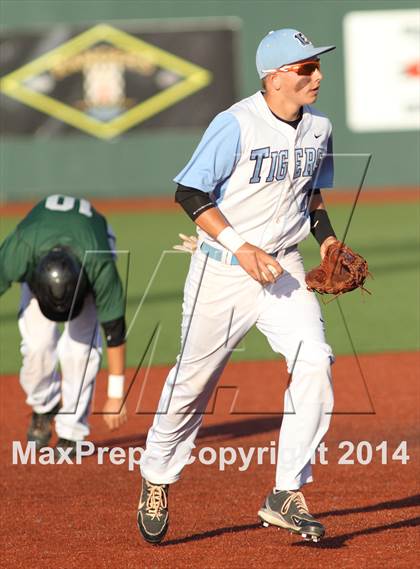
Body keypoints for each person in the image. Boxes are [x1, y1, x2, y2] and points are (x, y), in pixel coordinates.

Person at [137, 28, 340, 544]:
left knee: (315, 360)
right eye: (305, 68)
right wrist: (240, 246)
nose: (316, 75)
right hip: (223, 271)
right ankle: (157, 475)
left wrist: (330, 242)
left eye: (316, 66)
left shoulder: (320, 127)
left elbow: (311, 193)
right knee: (192, 384)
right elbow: (189, 190)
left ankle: (286, 491)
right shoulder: (236, 124)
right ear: (275, 78)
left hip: (285, 266)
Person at [0, 195, 128, 456]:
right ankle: (43, 405)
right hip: (39, 248)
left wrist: (116, 395)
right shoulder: (20, 252)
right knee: (37, 346)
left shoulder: (99, 266)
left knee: (79, 352)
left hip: (89, 248)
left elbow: (114, 329)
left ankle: (72, 431)